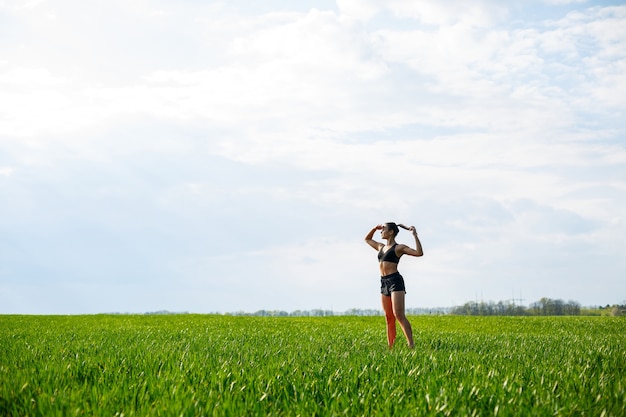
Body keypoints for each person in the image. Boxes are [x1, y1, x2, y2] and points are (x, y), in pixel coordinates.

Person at [365, 223, 423, 349]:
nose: (381, 231)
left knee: (399, 315)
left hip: (395, 281)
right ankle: (391, 347)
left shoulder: (398, 248)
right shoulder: (380, 247)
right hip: (384, 282)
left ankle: (411, 345)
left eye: (383, 229)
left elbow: (419, 253)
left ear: (391, 232)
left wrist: (415, 235)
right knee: (388, 317)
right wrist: (374, 228)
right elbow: (367, 239)